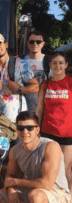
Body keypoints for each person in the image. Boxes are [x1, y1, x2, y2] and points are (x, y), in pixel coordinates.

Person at [0, 111, 71, 203]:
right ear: (16, 130)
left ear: (37, 130)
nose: (25, 132)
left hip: (56, 191)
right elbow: (10, 176)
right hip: (31, 188)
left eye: (30, 128)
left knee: (36, 196)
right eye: (21, 128)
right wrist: (11, 189)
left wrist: (15, 182)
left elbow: (47, 184)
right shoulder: (15, 150)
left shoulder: (50, 147)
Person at [0, 33, 39, 123]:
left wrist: (20, 88)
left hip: (20, 120)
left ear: (6, 44)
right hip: (0, 122)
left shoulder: (21, 64)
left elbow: (36, 87)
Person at [35, 52, 72, 196]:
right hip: (48, 131)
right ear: (50, 65)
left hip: (67, 132)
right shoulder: (45, 84)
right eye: (54, 63)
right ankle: (49, 196)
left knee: (67, 169)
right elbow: (39, 109)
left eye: (61, 63)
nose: (58, 66)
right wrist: (36, 130)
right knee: (48, 167)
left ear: (66, 65)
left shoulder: (70, 82)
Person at [22, 30, 48, 113]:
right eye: (31, 41)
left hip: (45, 109)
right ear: (27, 43)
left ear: (43, 44)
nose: (35, 44)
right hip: (25, 109)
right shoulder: (20, 61)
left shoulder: (49, 61)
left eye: (38, 42)